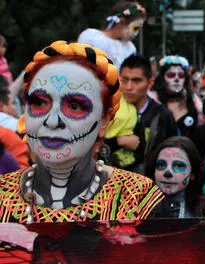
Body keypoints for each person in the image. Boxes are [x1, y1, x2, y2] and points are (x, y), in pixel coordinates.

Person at [0, 41, 164, 223]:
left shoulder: (137, 198)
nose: (53, 121)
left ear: (104, 121)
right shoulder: (2, 196)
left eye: (75, 106)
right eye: (39, 103)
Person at [103, 55, 177, 173]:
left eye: (137, 80)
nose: (129, 87)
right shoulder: (109, 107)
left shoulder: (162, 115)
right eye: (124, 80)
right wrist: (116, 141)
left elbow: (172, 154)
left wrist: (140, 146)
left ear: (150, 82)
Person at [145, 136, 205, 218]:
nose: (167, 173)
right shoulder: (137, 208)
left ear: (192, 174)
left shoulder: (204, 210)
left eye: (178, 165)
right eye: (161, 164)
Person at [77, 1, 146, 69]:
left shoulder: (130, 48)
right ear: (122, 22)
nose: (136, 33)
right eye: (135, 28)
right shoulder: (91, 37)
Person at [153, 55, 199, 138]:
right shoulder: (153, 103)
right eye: (171, 75)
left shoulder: (192, 102)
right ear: (162, 78)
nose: (177, 79)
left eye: (181, 76)